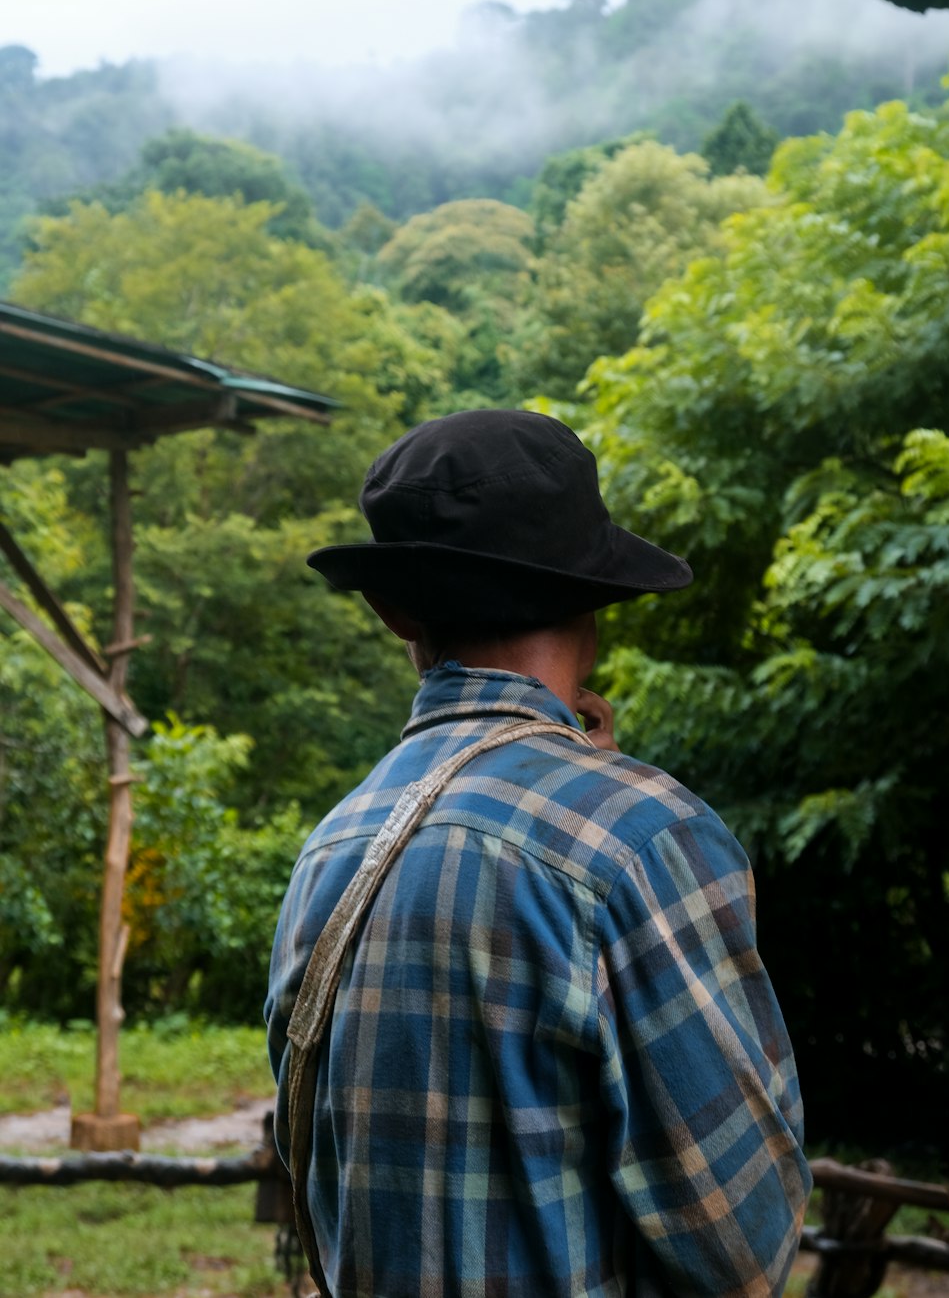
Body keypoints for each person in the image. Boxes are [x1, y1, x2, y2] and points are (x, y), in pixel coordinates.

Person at [266, 409, 811, 1298]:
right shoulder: (642, 837)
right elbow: (744, 1242)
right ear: (593, 601)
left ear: (392, 610)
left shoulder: (333, 848)